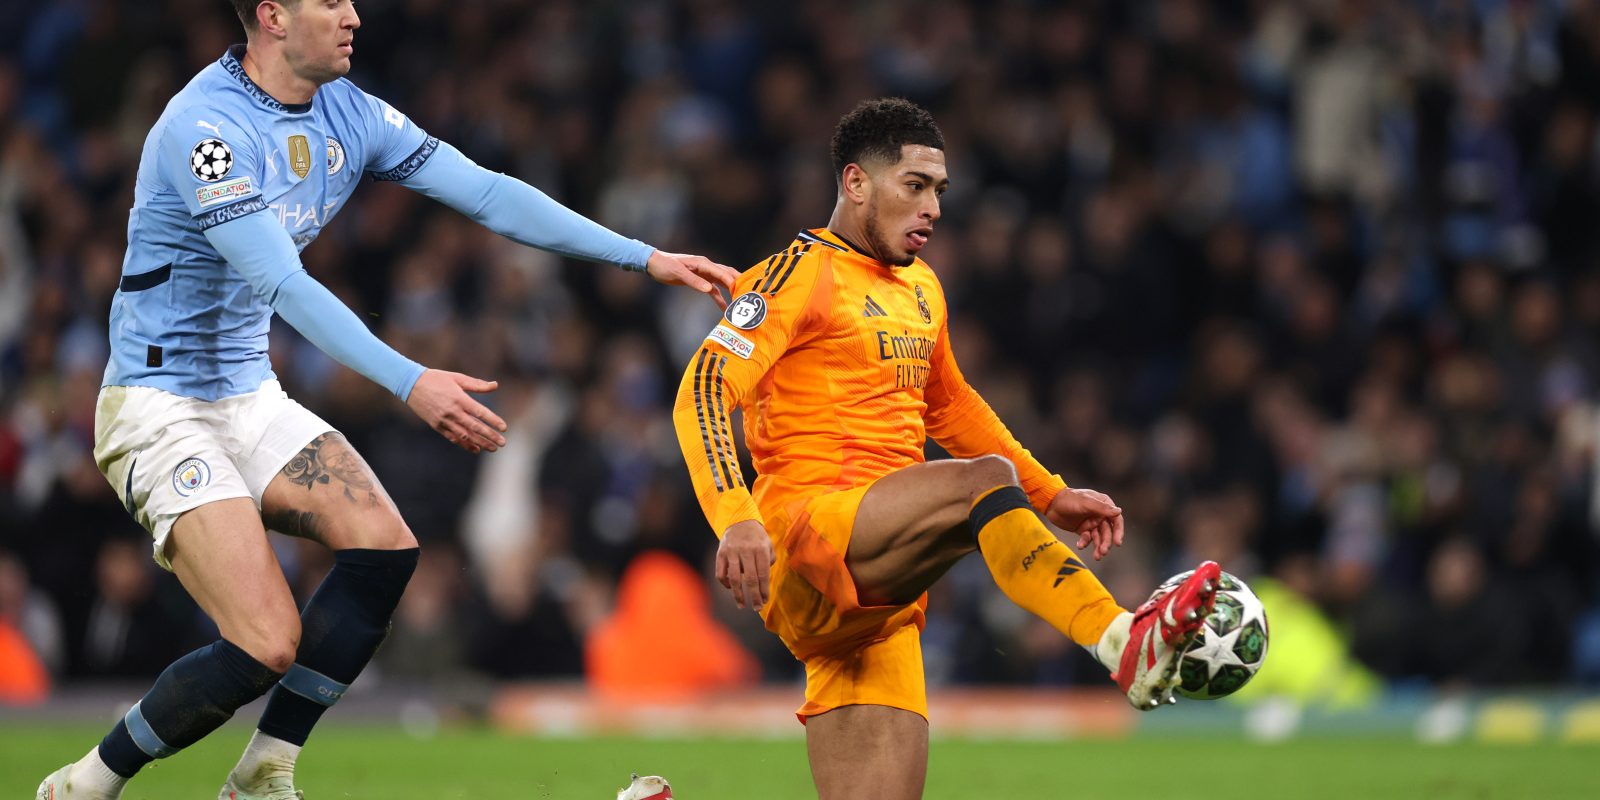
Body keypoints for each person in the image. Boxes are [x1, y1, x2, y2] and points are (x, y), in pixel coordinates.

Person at [36, 2, 737, 799]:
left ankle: (265, 770)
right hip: (159, 405)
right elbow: (283, 284)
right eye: (330, 1)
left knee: (385, 547)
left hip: (245, 394)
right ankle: (89, 782)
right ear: (272, 16)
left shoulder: (350, 111)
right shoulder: (204, 130)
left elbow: (487, 192)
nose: (354, 15)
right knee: (266, 643)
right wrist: (412, 380)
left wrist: (644, 258)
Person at [671, 98, 1221, 799]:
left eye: (940, 191)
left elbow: (951, 405)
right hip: (810, 536)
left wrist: (1051, 493)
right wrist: (735, 515)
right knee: (978, 481)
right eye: (914, 186)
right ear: (856, 183)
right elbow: (705, 387)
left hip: (881, 600)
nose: (932, 207)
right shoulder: (797, 274)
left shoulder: (922, 288)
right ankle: (1120, 640)